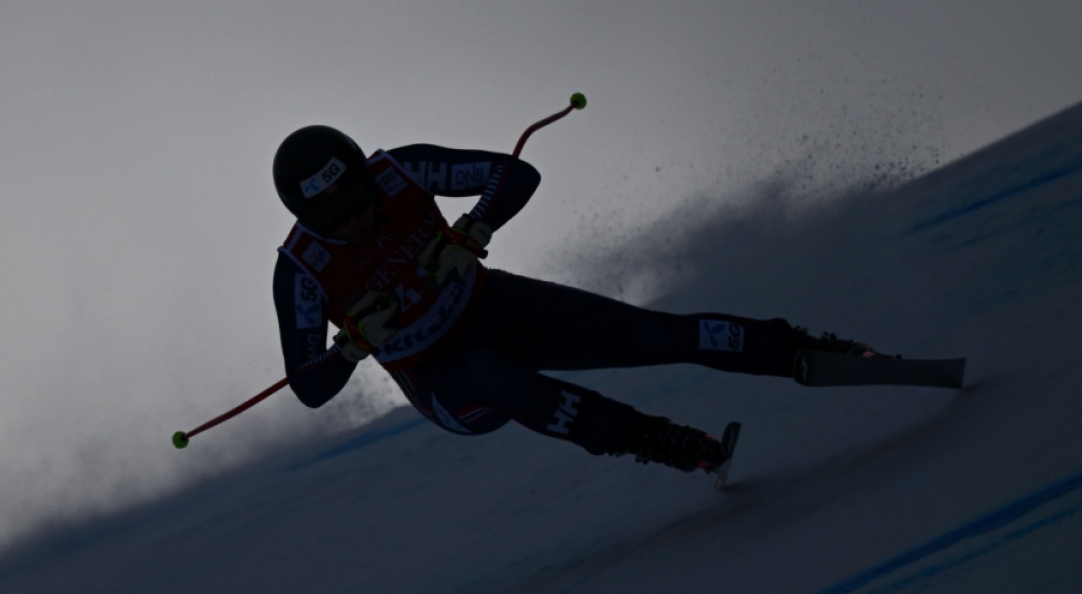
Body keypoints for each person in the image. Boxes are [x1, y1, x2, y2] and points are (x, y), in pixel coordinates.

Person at [270, 125, 873, 475]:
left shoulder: (397, 171)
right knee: (492, 375)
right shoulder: (301, 268)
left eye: (358, 201)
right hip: (441, 380)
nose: (354, 220)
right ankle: (658, 440)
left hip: (493, 306)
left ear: (366, 179)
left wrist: (472, 231)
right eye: (332, 218)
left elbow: (515, 174)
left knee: (650, 334)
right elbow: (308, 386)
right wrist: (352, 347)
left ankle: (792, 348)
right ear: (306, 218)